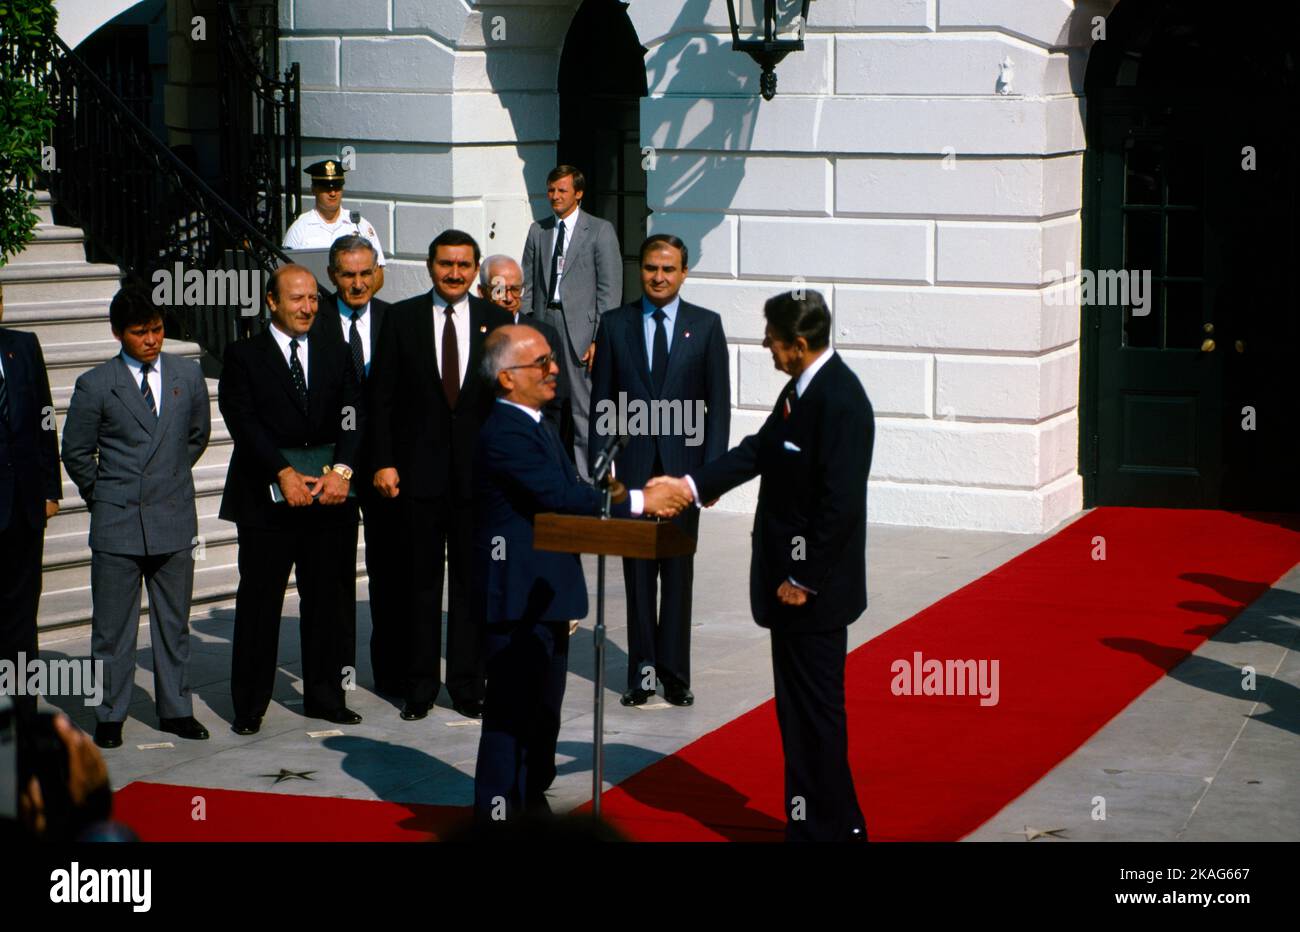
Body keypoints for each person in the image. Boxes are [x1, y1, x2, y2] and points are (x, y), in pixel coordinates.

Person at [651, 290, 873, 842]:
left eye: (772, 337)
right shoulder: (800, 390)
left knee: (816, 719)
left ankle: (839, 831)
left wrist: (804, 578)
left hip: (811, 594)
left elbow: (840, 505)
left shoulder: (841, 401)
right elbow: (759, 450)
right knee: (797, 719)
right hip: (787, 586)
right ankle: (810, 829)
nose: (765, 345)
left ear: (799, 345)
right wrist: (690, 485)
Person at [471, 325, 689, 822]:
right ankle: (497, 815)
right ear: (507, 378)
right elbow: (558, 496)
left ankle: (529, 798)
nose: (554, 370)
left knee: (542, 714)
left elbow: (569, 490)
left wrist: (614, 496)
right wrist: (639, 499)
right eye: (541, 363)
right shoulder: (504, 430)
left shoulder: (537, 422)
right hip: (516, 596)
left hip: (546, 594)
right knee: (510, 716)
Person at [368, 231, 512, 721]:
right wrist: (383, 461)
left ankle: (469, 686)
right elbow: (381, 399)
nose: (455, 273)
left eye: (464, 265)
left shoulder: (497, 321)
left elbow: (505, 402)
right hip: (416, 477)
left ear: (476, 272)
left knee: (473, 586)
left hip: (478, 480)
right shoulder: (401, 318)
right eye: (446, 264)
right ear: (430, 266)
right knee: (420, 585)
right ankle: (420, 687)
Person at [61, 284, 212, 748]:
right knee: (112, 628)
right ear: (117, 333)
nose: (151, 340)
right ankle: (111, 713)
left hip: (173, 517)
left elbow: (196, 436)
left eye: (158, 329)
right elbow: (77, 451)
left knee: (173, 623)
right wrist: (105, 494)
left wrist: (165, 478)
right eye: (140, 332)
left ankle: (176, 708)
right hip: (117, 523)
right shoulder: (96, 384)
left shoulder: (187, 374)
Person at [218, 264, 364, 735]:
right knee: (260, 604)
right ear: (272, 303)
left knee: (329, 602)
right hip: (266, 501)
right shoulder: (243, 356)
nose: (307, 307)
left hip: (329, 498)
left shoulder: (338, 351)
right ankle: (249, 705)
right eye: (296, 299)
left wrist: (343, 470)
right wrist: (282, 473)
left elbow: (352, 414)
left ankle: (327, 697)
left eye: (312, 299)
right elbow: (243, 421)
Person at [589, 234, 730, 707]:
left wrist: (710, 477)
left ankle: (675, 674)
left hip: (683, 474)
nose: (659, 277)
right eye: (651, 268)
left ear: (684, 273)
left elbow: (718, 407)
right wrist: (601, 472)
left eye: (669, 269)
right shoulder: (615, 325)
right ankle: (642, 674)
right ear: (641, 269)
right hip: (630, 475)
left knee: (678, 574)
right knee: (637, 577)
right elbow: (603, 403)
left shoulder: (706, 327)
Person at [308, 235, 402, 696]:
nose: (358, 283)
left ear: (378, 273)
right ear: (332, 276)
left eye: (366, 273)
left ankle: (391, 674)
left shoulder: (396, 320)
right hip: (332, 470)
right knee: (334, 578)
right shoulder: (314, 320)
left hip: (385, 467)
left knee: (390, 574)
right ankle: (336, 679)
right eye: (348, 275)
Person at [520, 165, 622, 477]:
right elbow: (528, 284)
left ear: (578, 193)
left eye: (562, 191)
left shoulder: (600, 230)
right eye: (551, 190)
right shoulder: (539, 230)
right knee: (542, 399)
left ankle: (590, 480)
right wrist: (524, 326)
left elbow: (609, 289)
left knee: (582, 408)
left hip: (580, 328)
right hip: (545, 321)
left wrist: (598, 338)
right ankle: (547, 471)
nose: (555, 196)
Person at [0, 321, 60, 710]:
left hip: (23, 504)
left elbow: (45, 415)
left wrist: (51, 487)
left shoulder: (23, 346)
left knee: (22, 613)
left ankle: (23, 708)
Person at [478, 254, 571, 452]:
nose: (508, 298)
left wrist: (547, 442)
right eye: (499, 290)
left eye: (515, 289)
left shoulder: (545, 334)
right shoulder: (473, 333)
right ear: (482, 292)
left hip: (534, 443)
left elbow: (557, 399)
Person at [283, 158, 387, 295]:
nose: (333, 193)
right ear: (314, 189)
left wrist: (358, 298)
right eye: (326, 188)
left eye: (337, 187)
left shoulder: (359, 224)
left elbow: (378, 271)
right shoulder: (300, 228)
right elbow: (286, 275)